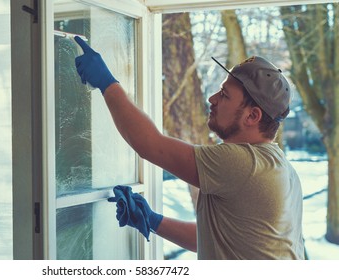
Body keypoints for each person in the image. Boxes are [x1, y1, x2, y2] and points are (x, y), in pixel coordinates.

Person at [74, 36, 305, 260]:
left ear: (252, 116)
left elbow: (151, 145)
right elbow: (217, 239)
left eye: (224, 95)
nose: (212, 99)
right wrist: (152, 220)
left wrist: (106, 83)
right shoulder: (282, 169)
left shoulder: (246, 164)